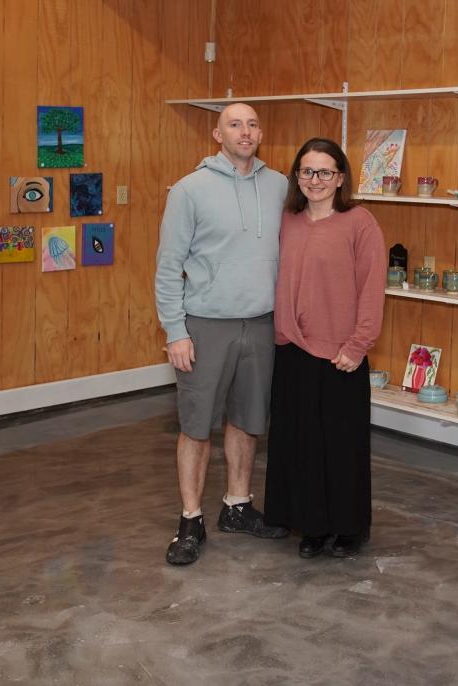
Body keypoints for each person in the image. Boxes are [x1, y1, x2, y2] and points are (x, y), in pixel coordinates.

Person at [155, 103, 290, 566]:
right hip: (205, 325)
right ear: (217, 133)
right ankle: (190, 519)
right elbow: (169, 267)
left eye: (253, 124)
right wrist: (176, 331)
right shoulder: (189, 190)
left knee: (248, 420)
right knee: (196, 426)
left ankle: (237, 504)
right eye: (235, 124)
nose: (245, 131)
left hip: (261, 323)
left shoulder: (279, 186)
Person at [264, 137, 387, 559]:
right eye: (306, 171)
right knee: (301, 443)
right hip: (291, 349)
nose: (314, 180)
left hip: (340, 354)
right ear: (297, 176)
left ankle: (347, 528)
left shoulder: (360, 223)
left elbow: (372, 290)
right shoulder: (288, 220)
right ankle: (312, 526)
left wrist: (358, 344)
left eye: (324, 172)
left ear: (340, 178)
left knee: (341, 445)